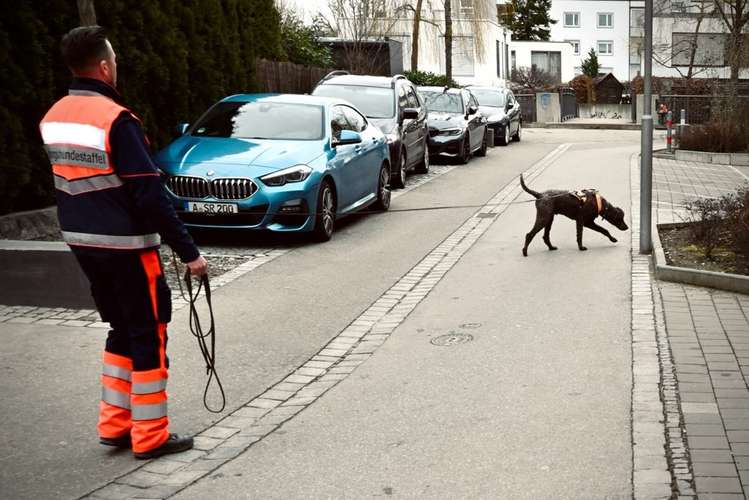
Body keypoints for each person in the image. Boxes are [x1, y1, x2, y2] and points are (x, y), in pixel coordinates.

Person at [39, 25, 208, 459]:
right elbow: (148, 194)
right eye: (114, 60)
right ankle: (149, 434)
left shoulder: (54, 116)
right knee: (148, 333)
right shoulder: (117, 120)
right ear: (103, 66)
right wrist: (189, 253)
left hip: (83, 244)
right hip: (128, 247)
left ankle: (114, 425)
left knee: (121, 329)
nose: (117, 66)